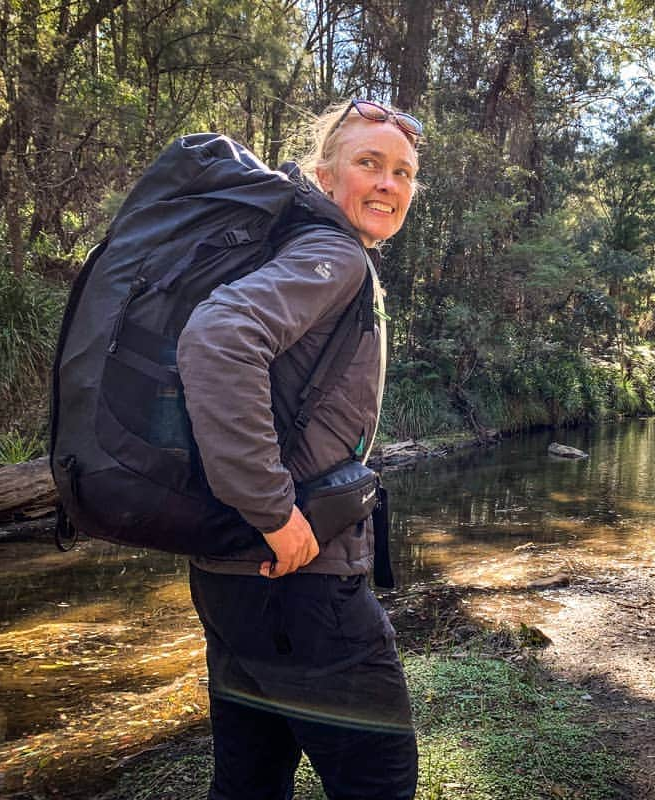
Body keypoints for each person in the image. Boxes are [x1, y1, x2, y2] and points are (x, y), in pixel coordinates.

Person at [175, 99, 422, 800]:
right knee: (379, 782)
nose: (386, 184)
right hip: (301, 584)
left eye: (402, 172)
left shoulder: (304, 251)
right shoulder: (331, 254)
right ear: (323, 175)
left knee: (249, 783)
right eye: (367, 164)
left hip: (233, 575)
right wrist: (273, 509)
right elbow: (218, 338)